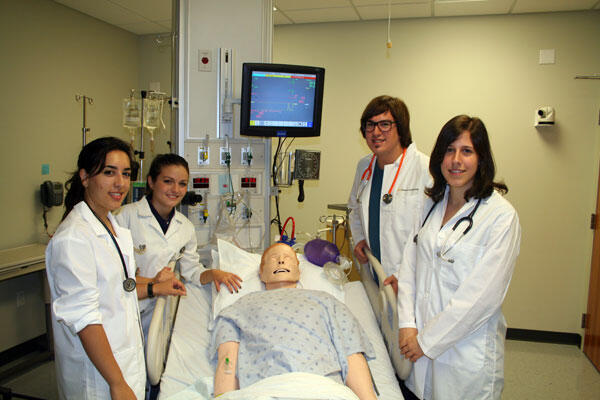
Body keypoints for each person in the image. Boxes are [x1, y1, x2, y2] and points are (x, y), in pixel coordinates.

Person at [45, 137, 186, 399]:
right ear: (85, 177)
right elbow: (85, 319)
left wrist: (154, 286)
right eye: (109, 173)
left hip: (124, 358)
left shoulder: (113, 228)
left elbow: (123, 284)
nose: (120, 183)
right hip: (98, 374)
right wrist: (117, 383)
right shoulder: (74, 238)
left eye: (126, 174)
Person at [396, 115, 521, 400]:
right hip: (418, 348)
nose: (456, 160)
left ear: (481, 158)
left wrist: (427, 342)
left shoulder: (500, 217)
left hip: (464, 355)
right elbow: (409, 267)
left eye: (466, 151)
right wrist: (407, 324)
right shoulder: (430, 204)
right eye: (449, 150)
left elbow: (481, 298)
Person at [211, 243, 377, 400]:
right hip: (265, 390)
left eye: (288, 257)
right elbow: (227, 359)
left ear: (299, 271)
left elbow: (351, 354)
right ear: (261, 273)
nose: (281, 260)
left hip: (323, 389)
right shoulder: (238, 307)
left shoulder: (328, 302)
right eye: (273, 258)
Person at [116, 153, 242, 339]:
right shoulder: (124, 218)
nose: (175, 189)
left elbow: (192, 272)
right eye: (168, 181)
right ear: (151, 182)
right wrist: (154, 281)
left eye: (182, 184)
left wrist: (214, 273)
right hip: (126, 310)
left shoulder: (185, 227)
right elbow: (115, 276)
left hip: (161, 314)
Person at [348, 95, 430, 294]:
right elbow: (354, 207)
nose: (376, 132)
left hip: (412, 281)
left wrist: (405, 276)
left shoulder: (425, 169)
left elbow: (432, 233)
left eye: (385, 124)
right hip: (376, 274)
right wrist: (359, 238)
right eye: (370, 125)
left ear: (400, 128)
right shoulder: (364, 166)